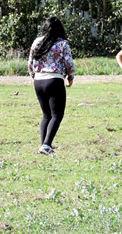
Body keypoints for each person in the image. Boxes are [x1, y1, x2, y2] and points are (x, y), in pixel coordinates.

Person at [28, 16, 75, 155]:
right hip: (54, 80)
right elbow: (69, 63)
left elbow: (30, 62)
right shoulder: (62, 43)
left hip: (39, 80)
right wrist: (70, 76)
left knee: (46, 115)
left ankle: (43, 145)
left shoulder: (37, 41)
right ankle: (47, 145)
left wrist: (33, 76)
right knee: (57, 115)